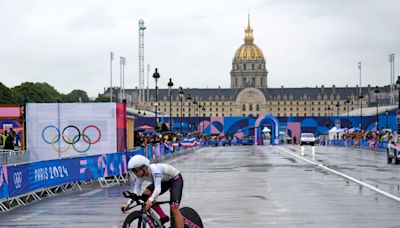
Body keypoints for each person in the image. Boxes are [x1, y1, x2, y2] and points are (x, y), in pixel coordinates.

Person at [122, 155, 184, 228]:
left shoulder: (155, 170)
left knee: (174, 208)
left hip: (175, 179)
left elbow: (158, 189)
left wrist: (150, 200)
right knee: (145, 194)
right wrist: (128, 204)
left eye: (136, 171)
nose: (135, 173)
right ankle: (163, 216)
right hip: (164, 181)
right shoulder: (140, 176)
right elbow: (136, 192)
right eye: (133, 171)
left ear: (144, 167)